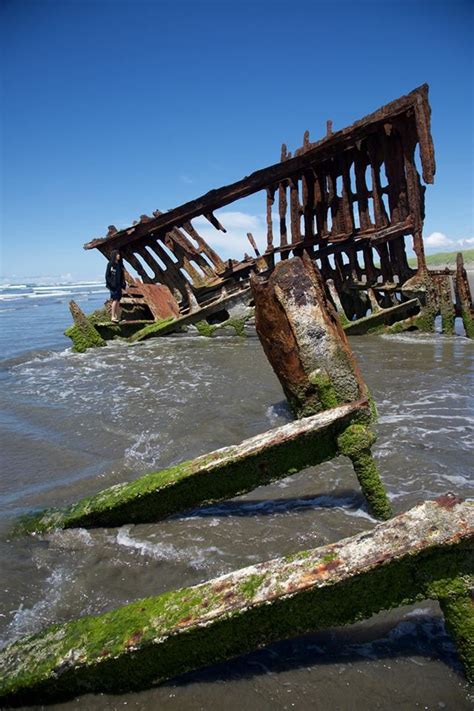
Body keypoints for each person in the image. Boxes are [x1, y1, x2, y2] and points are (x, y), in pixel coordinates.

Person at [105, 250, 126, 323]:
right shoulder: (110, 264)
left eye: (119, 254)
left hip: (119, 285)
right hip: (113, 286)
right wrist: (111, 284)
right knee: (115, 300)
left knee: (118, 300)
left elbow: (122, 276)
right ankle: (112, 316)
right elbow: (107, 276)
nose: (119, 256)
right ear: (114, 255)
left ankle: (117, 316)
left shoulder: (119, 265)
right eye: (117, 254)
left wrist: (123, 284)